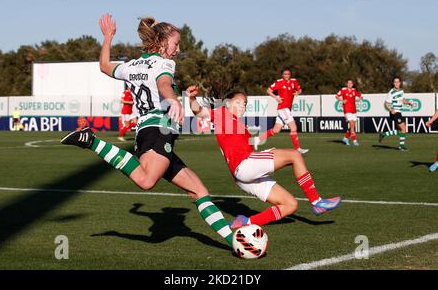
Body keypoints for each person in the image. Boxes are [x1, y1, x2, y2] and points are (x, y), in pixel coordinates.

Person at [60, 13, 234, 247]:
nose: (178, 48)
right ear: (162, 43)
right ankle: (91, 141)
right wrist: (173, 100)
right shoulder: (165, 63)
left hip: (150, 130)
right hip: (158, 129)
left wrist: (108, 37)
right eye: (176, 43)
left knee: (199, 191)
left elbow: (103, 66)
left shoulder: (131, 65)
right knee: (146, 180)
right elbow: (163, 83)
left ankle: (235, 240)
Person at [186, 86, 341, 229]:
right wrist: (192, 98)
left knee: (290, 205)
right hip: (245, 165)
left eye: (245, 103)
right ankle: (316, 201)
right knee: (295, 155)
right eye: (238, 102)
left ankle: (246, 222)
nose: (242, 106)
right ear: (227, 103)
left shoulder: (239, 124)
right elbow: (199, 112)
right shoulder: (222, 114)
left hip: (242, 177)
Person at [256, 67, 309, 154]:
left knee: (276, 130)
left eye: (288, 74)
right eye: (285, 74)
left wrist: (297, 92)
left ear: (290, 75)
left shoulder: (293, 81)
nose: (287, 75)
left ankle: (258, 139)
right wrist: (276, 97)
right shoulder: (279, 82)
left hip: (287, 109)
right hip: (283, 108)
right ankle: (298, 149)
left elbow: (299, 89)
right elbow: (268, 90)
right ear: (282, 75)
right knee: (293, 127)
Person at [378, 76, 413, 151]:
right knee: (404, 129)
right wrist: (391, 109)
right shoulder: (391, 92)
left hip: (399, 112)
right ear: (393, 83)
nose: (396, 83)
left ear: (400, 83)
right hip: (395, 112)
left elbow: (402, 99)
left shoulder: (401, 91)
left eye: (398, 82)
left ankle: (384, 134)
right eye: (395, 82)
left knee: (401, 130)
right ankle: (401, 146)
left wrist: (408, 103)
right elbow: (386, 103)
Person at [335, 79, 363, 146]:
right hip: (347, 110)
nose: (349, 84)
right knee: (352, 125)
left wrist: (360, 99)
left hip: (354, 110)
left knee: (352, 125)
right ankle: (354, 140)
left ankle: (345, 138)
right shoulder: (343, 90)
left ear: (352, 84)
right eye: (348, 83)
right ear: (347, 84)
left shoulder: (354, 90)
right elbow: (336, 96)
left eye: (351, 83)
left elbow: (360, 96)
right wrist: (342, 100)